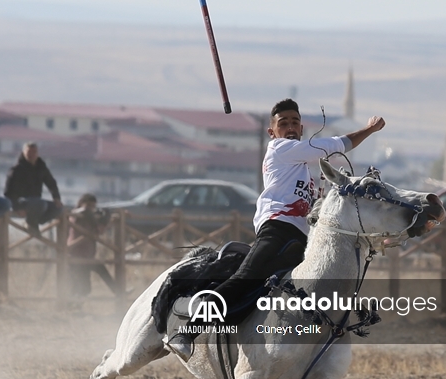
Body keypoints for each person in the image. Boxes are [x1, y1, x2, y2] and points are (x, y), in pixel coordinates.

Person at [165, 99, 385, 360]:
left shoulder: (303, 170)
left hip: (302, 240)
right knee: (245, 278)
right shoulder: (282, 149)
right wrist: (369, 129)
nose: (290, 127)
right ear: (273, 132)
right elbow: (336, 145)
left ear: (301, 128)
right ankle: (187, 332)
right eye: (283, 123)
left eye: (294, 122)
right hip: (277, 230)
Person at [4, 142, 63, 238]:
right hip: (21, 201)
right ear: (23, 153)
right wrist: (17, 207)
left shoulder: (41, 167)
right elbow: (8, 192)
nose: (31, 154)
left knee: (58, 208)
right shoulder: (17, 169)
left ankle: (33, 223)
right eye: (29, 152)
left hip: (36, 202)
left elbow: (51, 183)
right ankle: (30, 223)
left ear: (37, 153)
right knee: (41, 204)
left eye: (34, 152)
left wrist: (56, 198)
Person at [68, 193, 119, 297]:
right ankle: (119, 292)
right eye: (89, 205)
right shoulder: (77, 215)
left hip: (86, 254)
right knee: (82, 285)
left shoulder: (90, 216)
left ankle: (72, 305)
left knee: (83, 286)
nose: (91, 208)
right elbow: (84, 212)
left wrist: (104, 217)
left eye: (93, 206)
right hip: (76, 253)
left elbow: (98, 226)